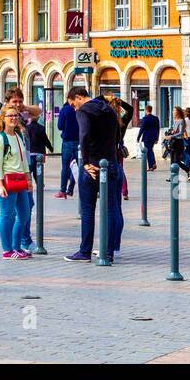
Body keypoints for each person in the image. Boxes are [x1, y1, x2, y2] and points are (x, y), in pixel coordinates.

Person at [64, 86, 125, 263]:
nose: (74, 108)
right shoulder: (111, 111)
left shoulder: (84, 111)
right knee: (112, 209)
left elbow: (83, 135)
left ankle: (85, 251)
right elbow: (117, 136)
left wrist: (86, 162)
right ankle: (108, 251)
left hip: (92, 166)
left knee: (88, 210)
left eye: (73, 104)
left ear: (78, 97)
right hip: (111, 163)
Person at [0, 105, 33, 259]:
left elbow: (23, 160)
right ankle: (7, 249)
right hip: (7, 180)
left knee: (24, 214)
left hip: (20, 179)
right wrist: (1, 184)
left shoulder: (18, 136)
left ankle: (17, 246)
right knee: (7, 215)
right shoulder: (0, 138)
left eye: (16, 115)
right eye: (10, 116)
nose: (14, 118)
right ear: (3, 118)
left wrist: (28, 179)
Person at [56, 93, 79, 199]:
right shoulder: (80, 109)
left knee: (65, 167)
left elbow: (60, 126)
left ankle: (63, 190)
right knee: (79, 166)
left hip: (67, 141)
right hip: (79, 141)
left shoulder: (64, 110)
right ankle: (71, 189)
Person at [164, 107, 190, 179]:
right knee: (172, 161)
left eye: (174, 110)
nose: (173, 112)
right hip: (173, 142)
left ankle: (188, 170)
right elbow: (175, 131)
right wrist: (171, 132)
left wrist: (171, 136)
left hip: (178, 143)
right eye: (173, 110)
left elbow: (181, 133)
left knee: (176, 161)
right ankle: (173, 176)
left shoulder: (181, 121)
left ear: (178, 112)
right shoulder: (175, 121)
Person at [136, 104, 160, 172]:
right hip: (153, 137)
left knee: (148, 151)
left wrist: (138, 137)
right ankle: (153, 163)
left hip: (147, 137)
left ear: (146, 110)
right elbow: (157, 128)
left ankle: (151, 166)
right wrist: (157, 138)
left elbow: (142, 129)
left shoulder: (145, 118)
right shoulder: (156, 118)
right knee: (151, 150)